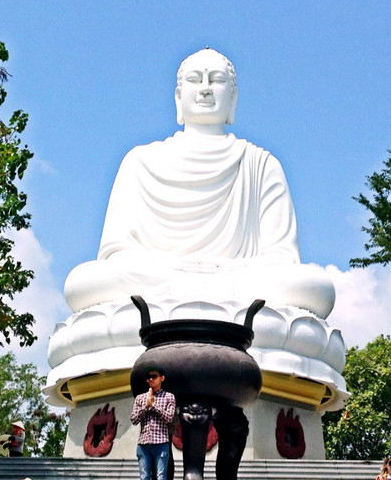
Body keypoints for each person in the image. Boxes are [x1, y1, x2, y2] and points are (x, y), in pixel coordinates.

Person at [62, 48, 335, 318]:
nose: (205, 89)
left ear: (233, 98)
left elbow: (281, 257)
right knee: (85, 281)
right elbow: (116, 252)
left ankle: (189, 301)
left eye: (216, 80)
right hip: (162, 278)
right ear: (178, 98)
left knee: (311, 286)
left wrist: (226, 273)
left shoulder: (261, 165)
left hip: (236, 281)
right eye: (195, 80)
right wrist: (173, 270)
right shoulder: (140, 161)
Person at [130, 366, 176, 480]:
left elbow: (169, 417)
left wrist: (154, 406)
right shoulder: (140, 398)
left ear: (162, 378)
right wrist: (146, 406)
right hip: (144, 444)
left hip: (161, 442)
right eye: (148, 377)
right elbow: (134, 419)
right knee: (144, 478)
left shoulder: (169, 397)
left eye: (154, 376)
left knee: (161, 478)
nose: (150, 379)